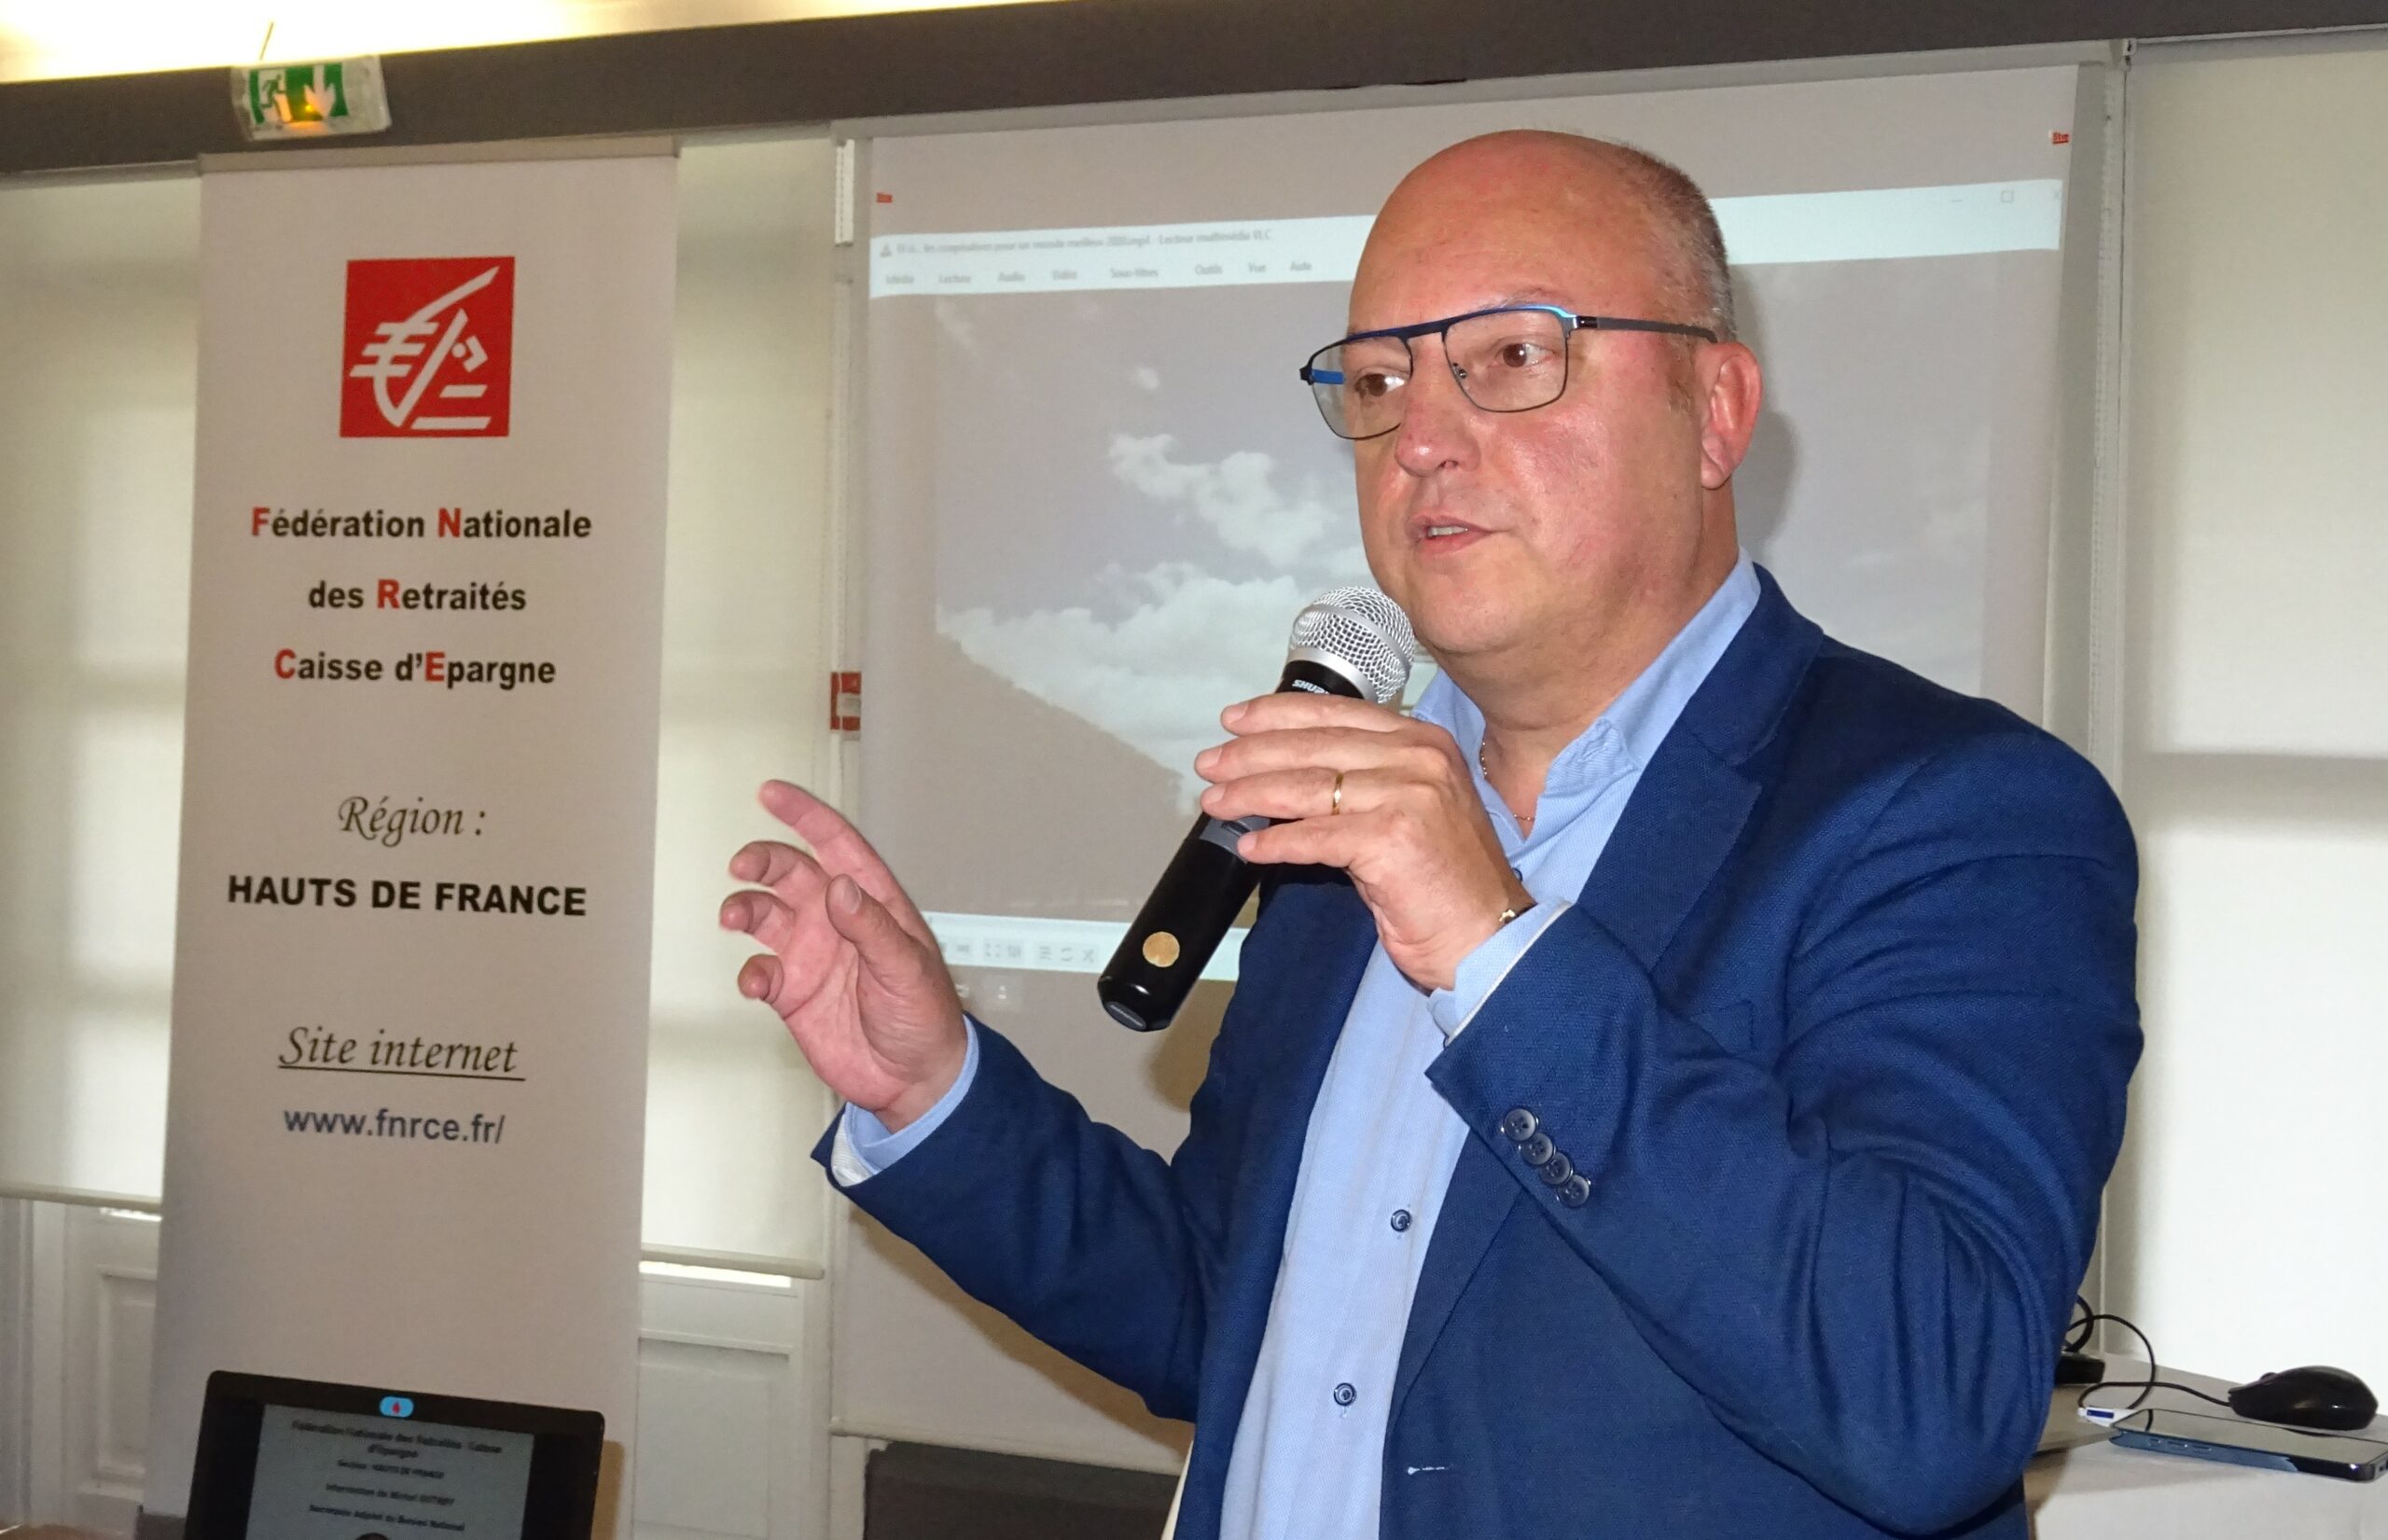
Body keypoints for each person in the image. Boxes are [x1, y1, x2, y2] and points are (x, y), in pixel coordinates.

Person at [719, 131, 2139, 1540]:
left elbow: (1933, 1395)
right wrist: (935, 1091)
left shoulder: (1961, 814)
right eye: (1379, 380)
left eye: (1512, 356)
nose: (1421, 439)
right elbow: (1232, 1310)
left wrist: (1494, 950)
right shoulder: (1351, 822)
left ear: (1715, 411)